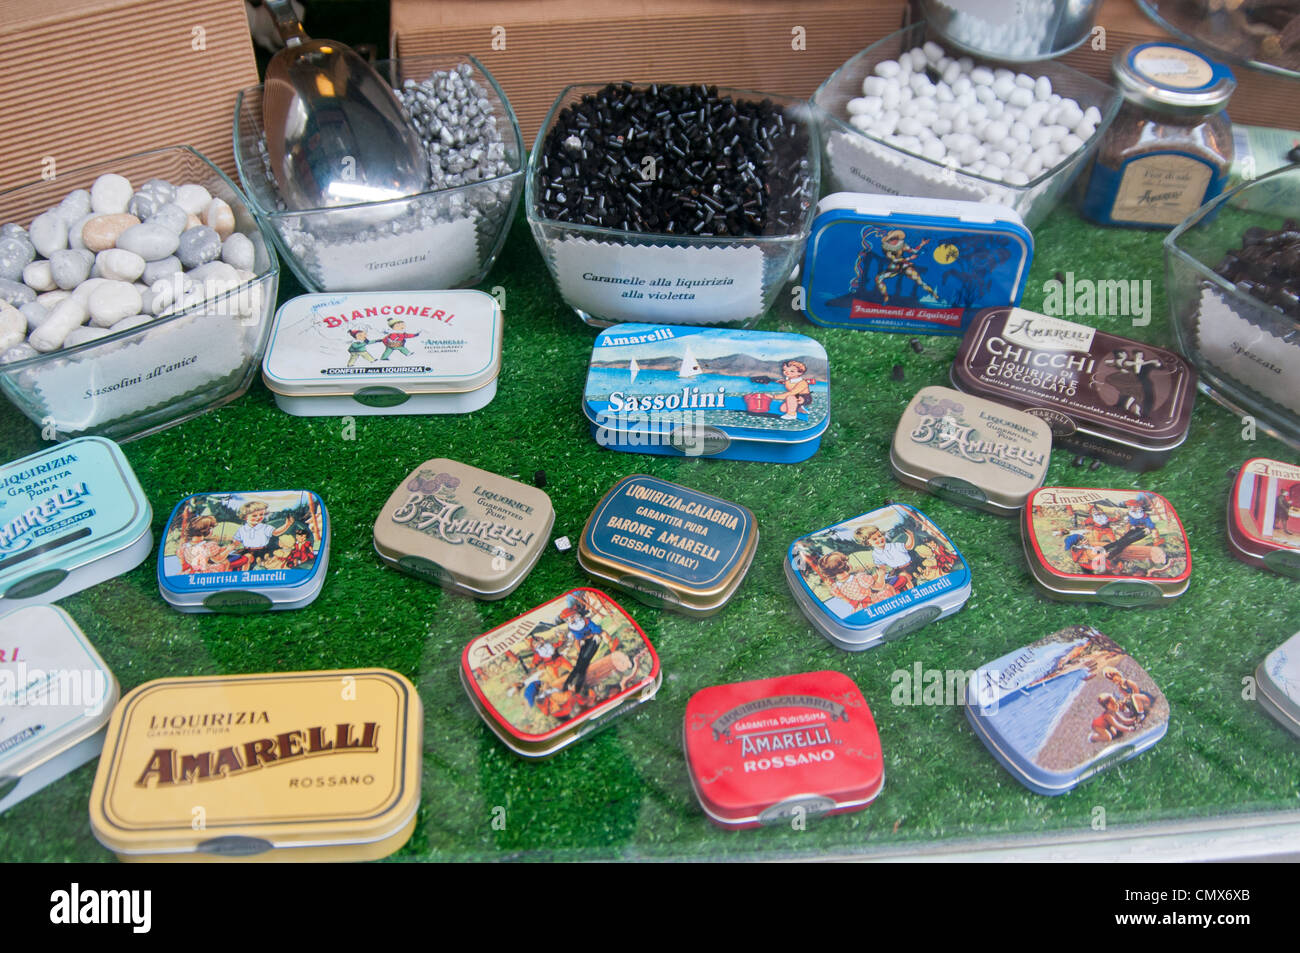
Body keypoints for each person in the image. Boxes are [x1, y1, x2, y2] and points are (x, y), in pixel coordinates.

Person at [228, 500, 295, 572]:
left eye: (261, 514)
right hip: (247, 550)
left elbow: (276, 532)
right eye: (254, 515)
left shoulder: (265, 527)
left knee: (252, 558)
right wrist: (230, 547)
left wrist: (287, 525)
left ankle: (243, 573)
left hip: (262, 551)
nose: (258, 517)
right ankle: (234, 570)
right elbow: (236, 542)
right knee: (243, 557)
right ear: (245, 517)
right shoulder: (242, 529)